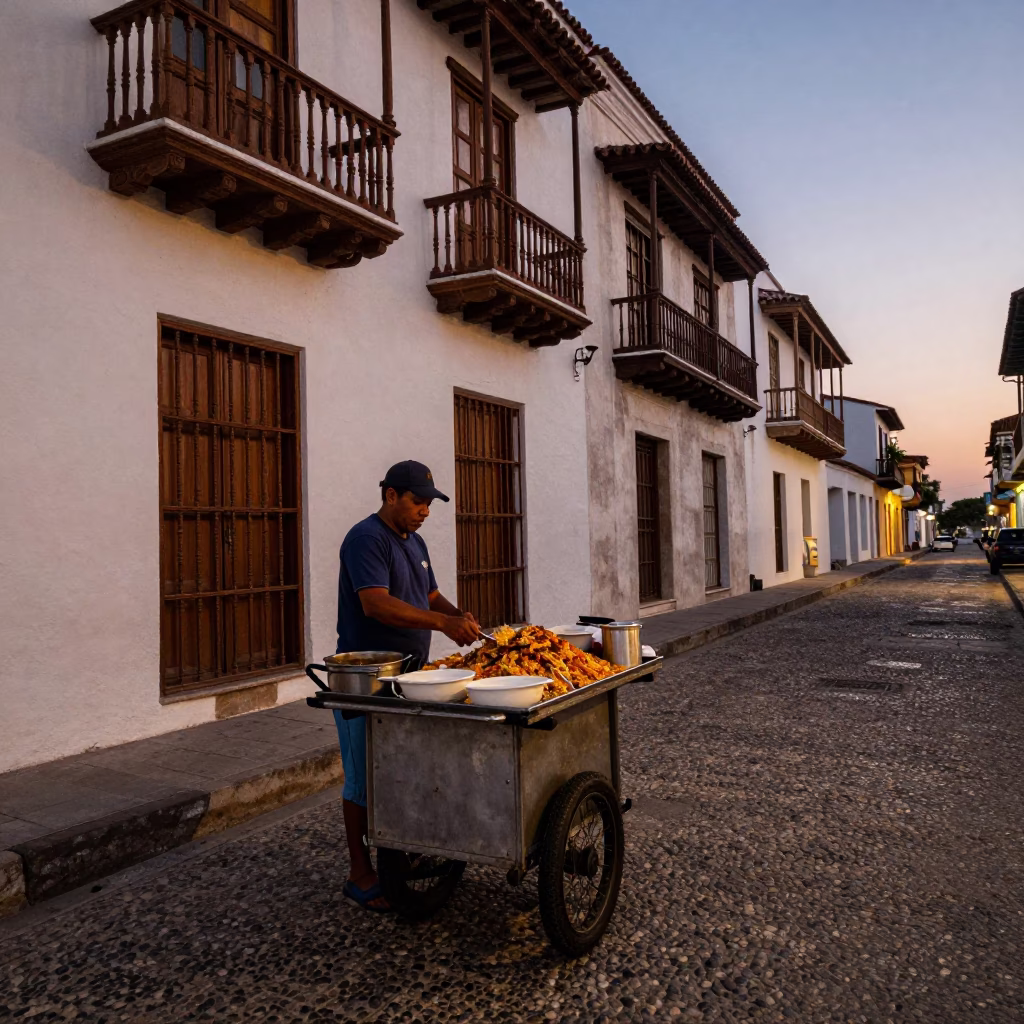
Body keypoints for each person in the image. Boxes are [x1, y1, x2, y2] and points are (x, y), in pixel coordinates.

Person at [335, 460, 480, 911]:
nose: (425, 512)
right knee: (362, 780)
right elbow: (375, 604)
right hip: (368, 679)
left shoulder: (413, 541)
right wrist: (441, 622)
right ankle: (360, 873)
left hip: (412, 675)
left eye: (429, 504)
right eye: (418, 502)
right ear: (391, 495)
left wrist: (458, 617)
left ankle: (403, 848)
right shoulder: (366, 538)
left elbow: (430, 594)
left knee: (405, 767)